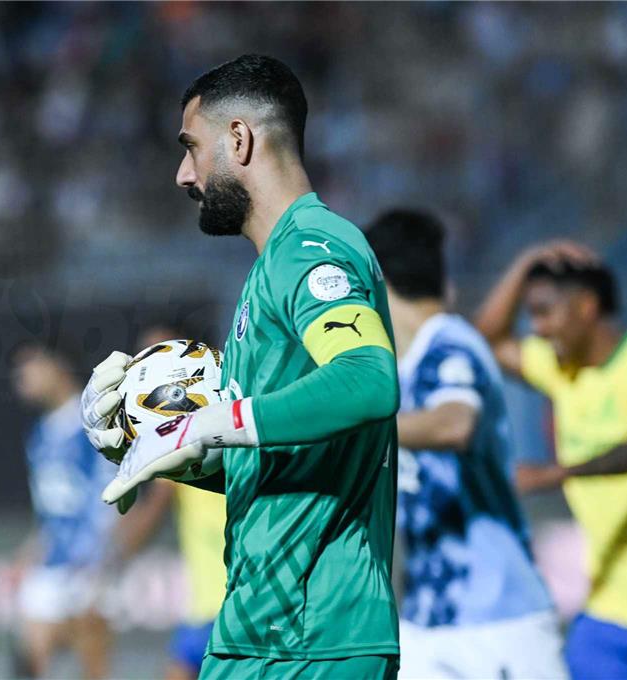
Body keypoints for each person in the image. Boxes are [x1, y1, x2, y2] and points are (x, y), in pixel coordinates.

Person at [82, 55, 401, 679]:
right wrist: (163, 446)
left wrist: (210, 423)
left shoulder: (312, 248)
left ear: (238, 139)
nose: (183, 174)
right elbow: (277, 458)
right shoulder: (268, 270)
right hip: (257, 631)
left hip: (314, 637)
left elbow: (369, 379)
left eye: (191, 148)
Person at [475, 241, 627, 680]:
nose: (537, 329)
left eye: (545, 312)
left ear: (586, 306)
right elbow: (488, 340)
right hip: (608, 609)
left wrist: (558, 473)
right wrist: (528, 261)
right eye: (532, 315)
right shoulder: (562, 369)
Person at [363, 209, 567, 679]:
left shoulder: (451, 345)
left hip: (500, 619)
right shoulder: (400, 366)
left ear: (375, 279)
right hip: (428, 618)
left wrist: (349, 429)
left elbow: (455, 424)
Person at [110, 324, 228, 680]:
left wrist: (111, 556)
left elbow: (149, 517)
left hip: (229, 602)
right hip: (205, 605)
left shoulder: (191, 437)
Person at [8, 345, 118, 680]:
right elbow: (51, 509)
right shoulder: (39, 435)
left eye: (30, 366)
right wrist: (30, 551)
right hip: (52, 562)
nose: (21, 378)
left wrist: (102, 560)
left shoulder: (93, 421)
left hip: (90, 561)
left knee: (92, 664)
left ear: (58, 365)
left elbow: (112, 495)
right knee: (28, 659)